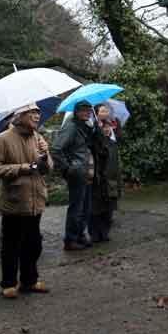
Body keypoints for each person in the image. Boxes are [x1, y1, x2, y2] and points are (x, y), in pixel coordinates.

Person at [0, 102, 53, 298]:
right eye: (32, 112)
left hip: (35, 200)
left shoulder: (38, 137)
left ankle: (29, 280)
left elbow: (47, 168)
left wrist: (45, 154)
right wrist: (24, 167)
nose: (37, 116)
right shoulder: (3, 139)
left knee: (33, 244)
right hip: (14, 202)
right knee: (11, 245)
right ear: (20, 115)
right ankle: (8, 283)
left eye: (38, 112)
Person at [52, 100, 97, 251]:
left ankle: (80, 235)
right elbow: (57, 149)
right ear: (76, 112)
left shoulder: (83, 126)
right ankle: (70, 240)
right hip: (77, 173)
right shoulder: (71, 126)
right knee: (76, 208)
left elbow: (85, 145)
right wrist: (68, 168)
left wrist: (93, 128)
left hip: (87, 172)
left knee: (85, 207)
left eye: (88, 110)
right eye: (83, 110)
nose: (87, 112)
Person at [89, 119, 123, 243]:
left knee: (108, 209)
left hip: (111, 180)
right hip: (98, 180)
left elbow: (116, 163)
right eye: (104, 127)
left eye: (108, 127)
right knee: (96, 209)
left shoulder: (113, 143)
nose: (107, 129)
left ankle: (104, 233)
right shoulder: (94, 143)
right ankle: (94, 234)